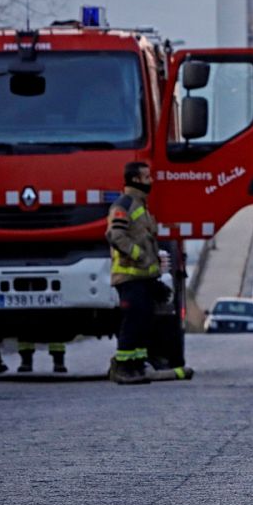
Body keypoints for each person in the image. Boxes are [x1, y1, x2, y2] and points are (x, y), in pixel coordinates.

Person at [105, 161, 191, 384]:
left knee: (143, 322)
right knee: (133, 322)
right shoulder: (124, 205)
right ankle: (122, 367)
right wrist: (141, 257)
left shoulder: (140, 205)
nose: (151, 180)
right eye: (147, 177)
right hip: (129, 277)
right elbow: (116, 236)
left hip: (143, 278)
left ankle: (136, 366)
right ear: (135, 179)